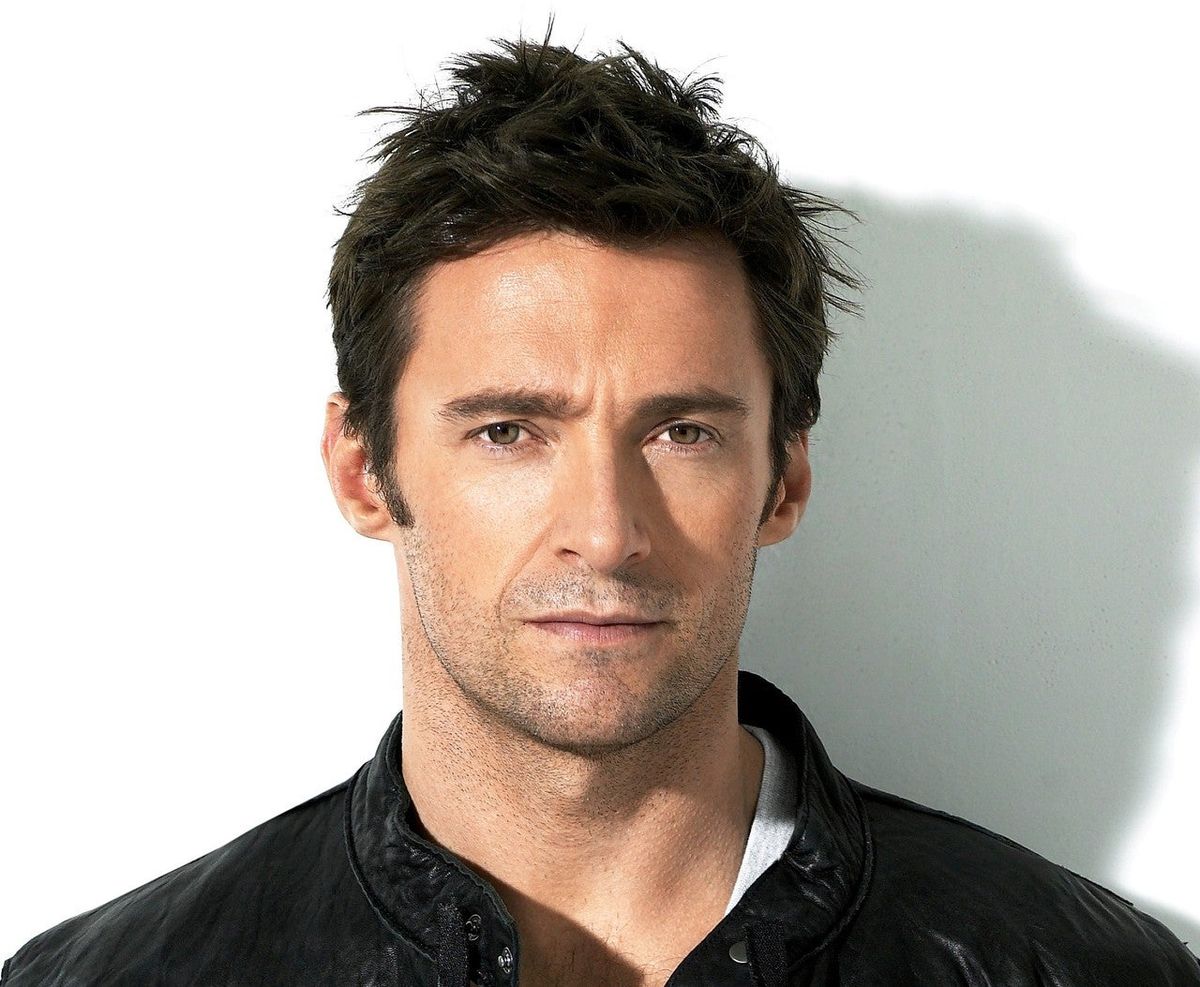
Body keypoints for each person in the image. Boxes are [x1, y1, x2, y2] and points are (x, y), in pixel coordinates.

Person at [4, 29, 1198, 987]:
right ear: (364, 472)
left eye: (682, 432)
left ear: (783, 478)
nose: (607, 531)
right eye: (508, 431)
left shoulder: (1079, 971)